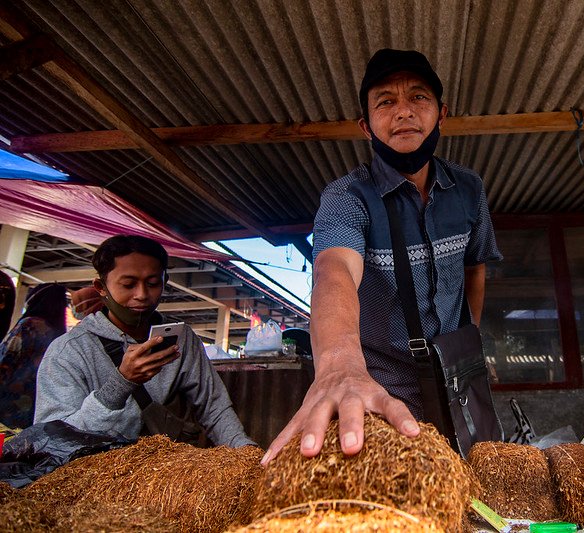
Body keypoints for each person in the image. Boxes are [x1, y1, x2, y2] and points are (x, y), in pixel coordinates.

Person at [263, 49, 501, 464]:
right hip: (377, 392)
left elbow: (475, 267)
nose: (404, 112)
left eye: (419, 98)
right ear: (365, 124)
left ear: (441, 113)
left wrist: (470, 344)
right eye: (386, 101)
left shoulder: (468, 190)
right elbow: (333, 272)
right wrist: (339, 367)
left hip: (459, 382)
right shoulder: (346, 197)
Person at [34, 235, 255, 448]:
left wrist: (244, 450)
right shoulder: (68, 351)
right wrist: (121, 383)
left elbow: (213, 406)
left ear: (165, 282)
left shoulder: (183, 339)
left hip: (165, 474)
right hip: (97, 478)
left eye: (152, 283)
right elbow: (52, 441)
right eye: (128, 285)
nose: (142, 295)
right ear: (101, 287)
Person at [0, 283, 68, 429]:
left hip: (9, 400)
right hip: (34, 403)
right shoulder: (60, 333)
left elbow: (7, 357)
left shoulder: (29, 324)